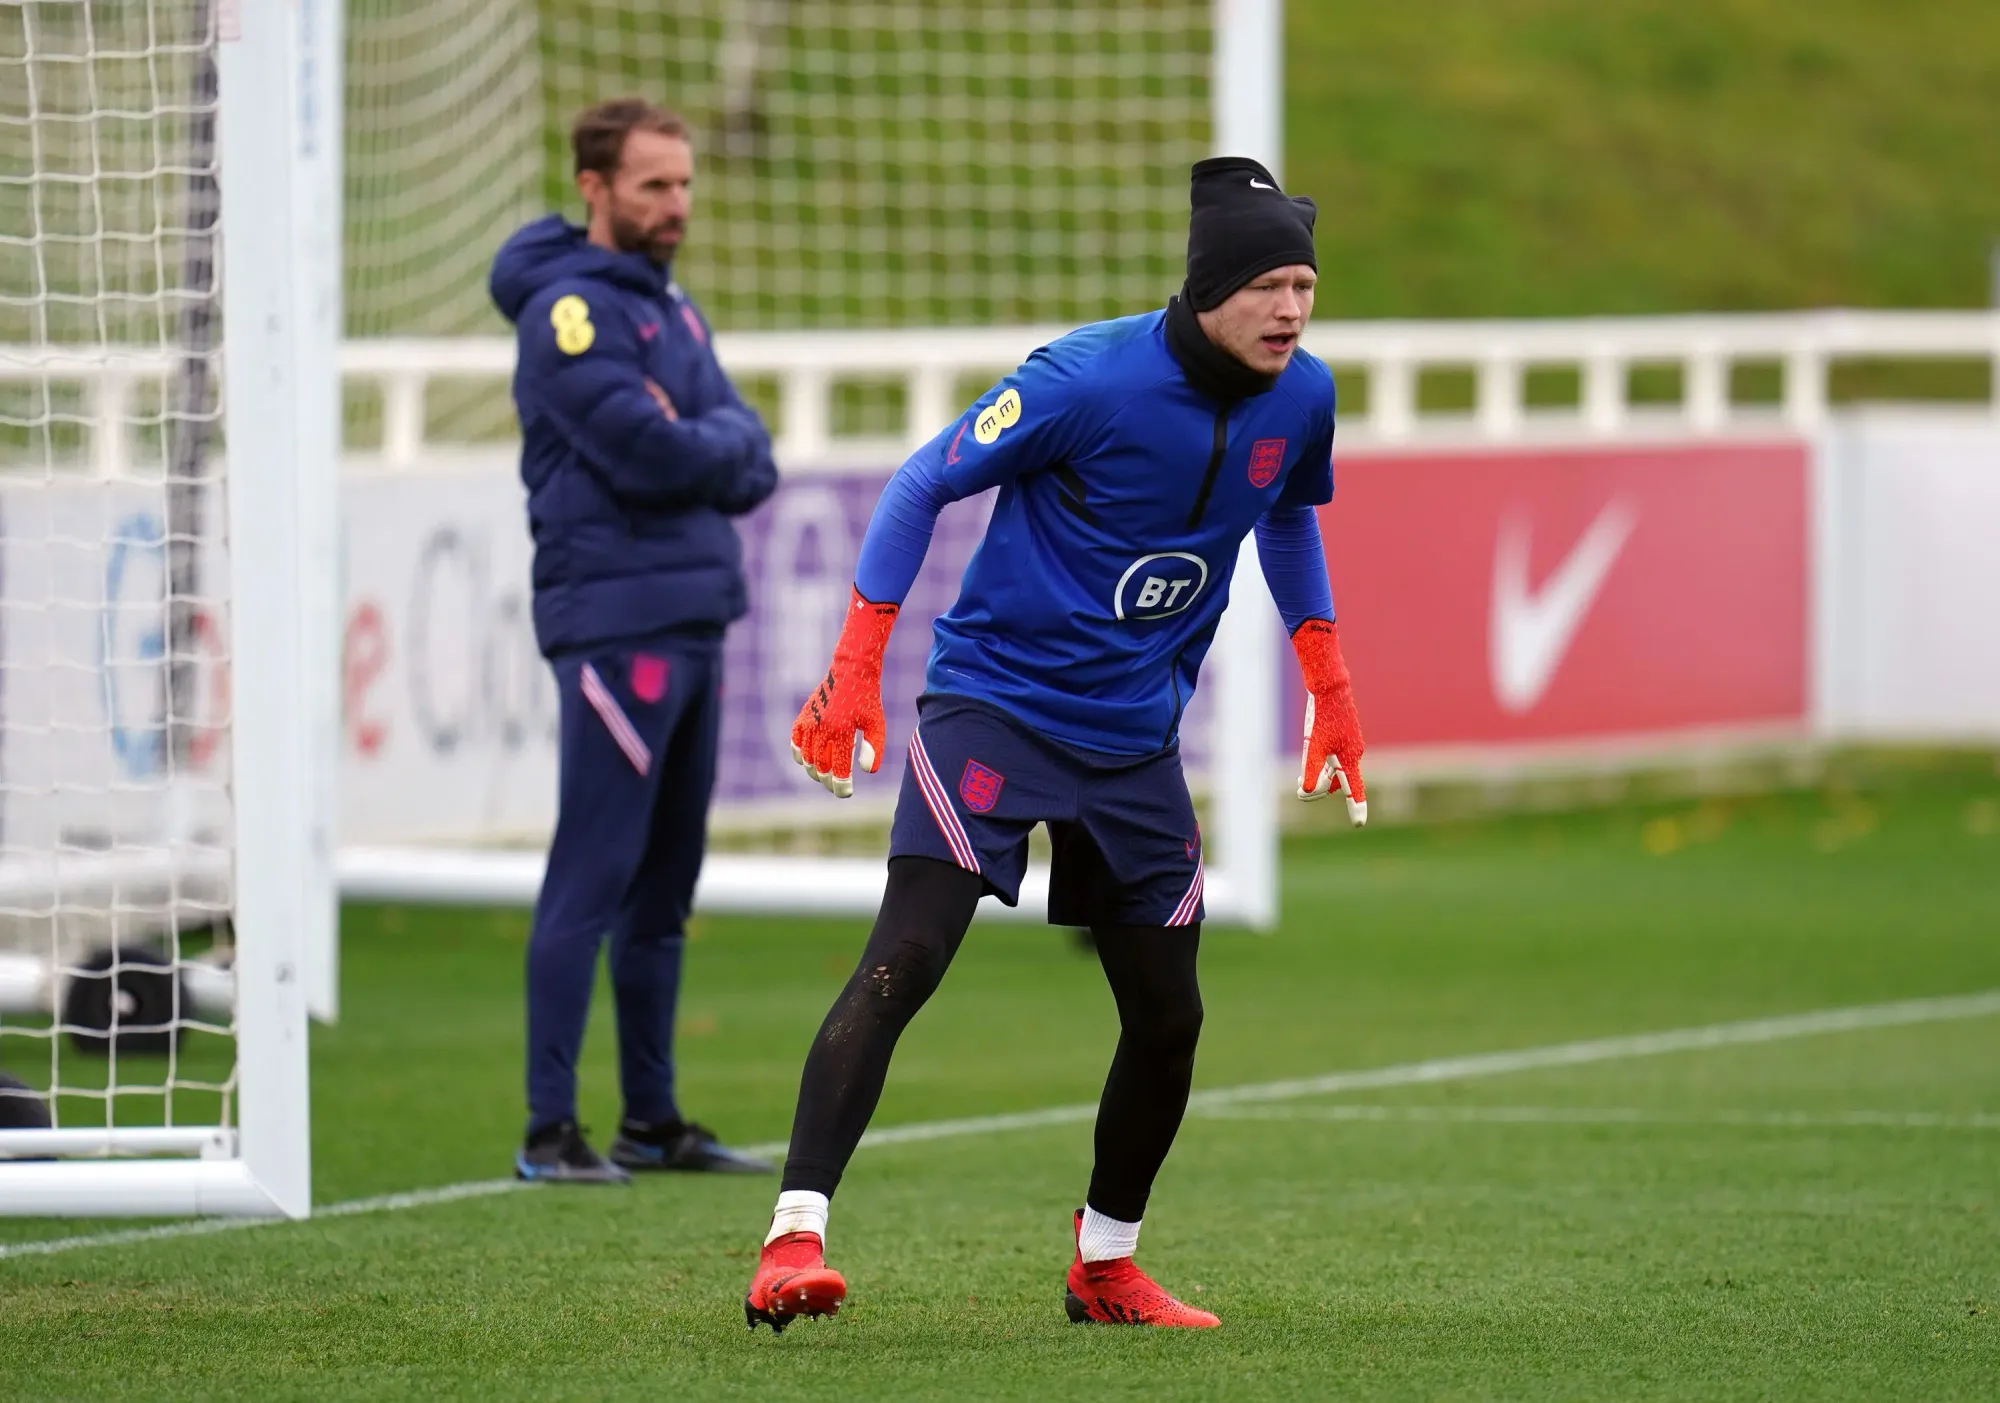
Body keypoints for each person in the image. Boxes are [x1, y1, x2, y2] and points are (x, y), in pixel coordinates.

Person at [742, 157, 1369, 1330]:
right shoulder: (1083, 378)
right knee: (907, 958)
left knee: (1169, 1013)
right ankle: (791, 1238)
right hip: (996, 706)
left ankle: (1105, 1262)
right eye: (1270, 285)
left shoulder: (1303, 397)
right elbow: (921, 479)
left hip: (1132, 740)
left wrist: (1326, 682)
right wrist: (856, 666)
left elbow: (1287, 514)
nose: (1291, 309)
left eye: (1305, 285)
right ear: (1209, 286)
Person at [488, 99, 777, 1182]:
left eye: (686, 183)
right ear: (594, 188)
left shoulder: (672, 307)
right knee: (594, 869)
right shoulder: (567, 312)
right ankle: (547, 1128)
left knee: (665, 887)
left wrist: (702, 437)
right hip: (617, 619)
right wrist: (706, 439)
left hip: (693, 611)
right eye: (654, 185)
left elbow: (750, 452)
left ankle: (649, 1120)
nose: (676, 205)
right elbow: (647, 451)